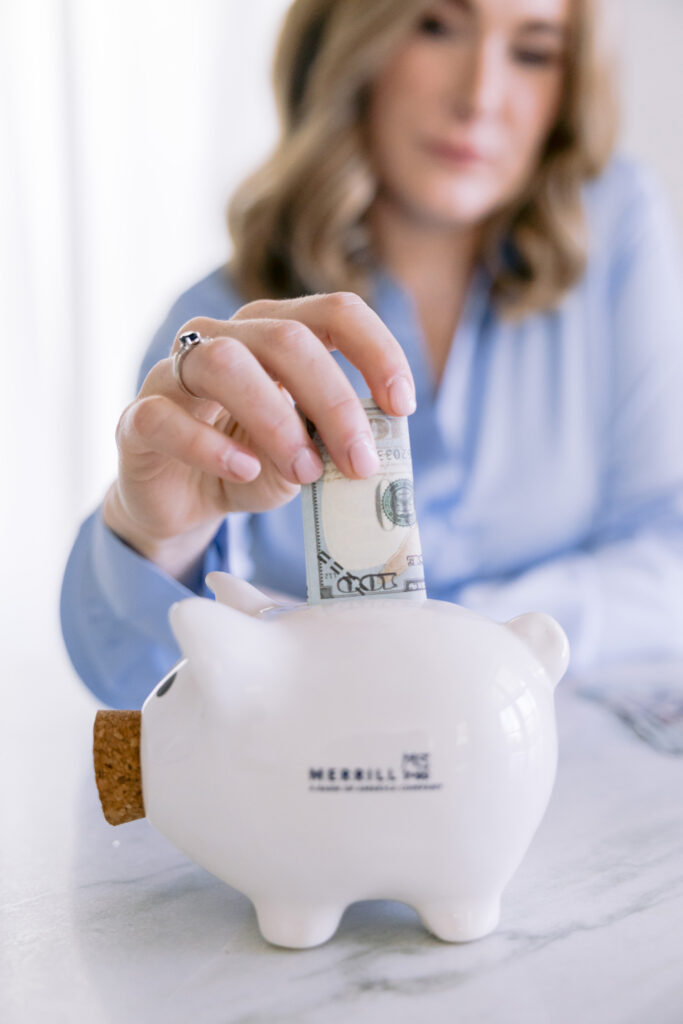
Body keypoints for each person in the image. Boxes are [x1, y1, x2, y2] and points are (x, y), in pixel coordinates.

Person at [60, 0, 683, 710]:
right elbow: (134, 686)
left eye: (533, 52)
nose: (478, 98)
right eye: (435, 26)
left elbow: (669, 557)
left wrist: (459, 642)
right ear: (348, 43)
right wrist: (157, 541)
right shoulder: (215, 338)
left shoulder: (617, 236)